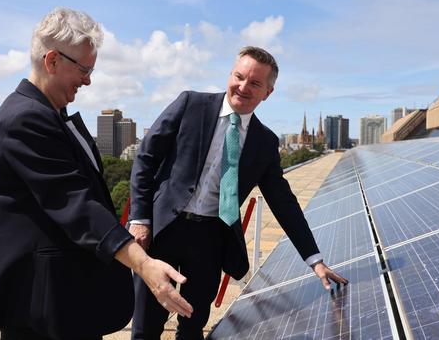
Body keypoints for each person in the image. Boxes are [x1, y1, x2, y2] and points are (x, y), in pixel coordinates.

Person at [0, 7, 192, 340]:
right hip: (38, 302)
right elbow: (75, 204)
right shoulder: (25, 119)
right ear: (52, 60)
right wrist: (144, 264)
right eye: (84, 68)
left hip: (62, 298)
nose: (88, 79)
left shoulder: (49, 112)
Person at [129, 46, 348, 340]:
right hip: (163, 229)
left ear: (267, 93)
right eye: (239, 76)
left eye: (255, 83)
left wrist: (315, 260)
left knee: (193, 325)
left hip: (210, 240)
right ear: (230, 74)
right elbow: (145, 158)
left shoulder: (265, 142)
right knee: (146, 324)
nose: (243, 87)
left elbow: (284, 203)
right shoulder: (190, 104)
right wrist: (140, 218)